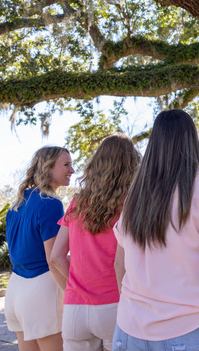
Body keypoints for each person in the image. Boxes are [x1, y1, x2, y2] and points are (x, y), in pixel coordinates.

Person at [112, 109, 199, 351]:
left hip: (129, 328)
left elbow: (120, 264)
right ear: (192, 140)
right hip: (189, 326)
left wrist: (134, 310)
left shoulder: (135, 194)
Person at [50, 133, 141, 351]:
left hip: (75, 310)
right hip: (116, 304)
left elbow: (55, 258)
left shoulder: (78, 202)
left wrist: (75, 289)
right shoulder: (132, 204)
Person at [5, 146, 74, 351]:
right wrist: (74, 293)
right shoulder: (50, 203)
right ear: (48, 168)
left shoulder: (16, 204)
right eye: (66, 165)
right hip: (42, 291)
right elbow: (54, 259)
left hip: (16, 290)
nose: (72, 170)